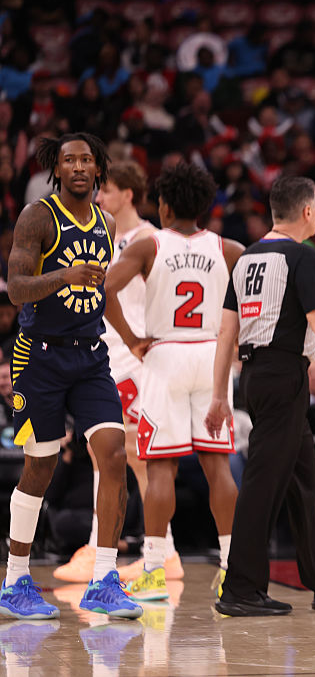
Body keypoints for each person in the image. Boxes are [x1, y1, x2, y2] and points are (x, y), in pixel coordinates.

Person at [204, 176, 315, 616]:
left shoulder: (246, 258)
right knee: (263, 483)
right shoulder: (301, 256)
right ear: (308, 212)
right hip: (283, 374)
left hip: (259, 376)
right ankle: (241, 588)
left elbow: (226, 332)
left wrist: (219, 395)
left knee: (304, 482)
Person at [1, 132, 141, 619]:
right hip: (39, 358)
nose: (79, 167)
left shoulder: (105, 220)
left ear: (99, 169)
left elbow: (104, 293)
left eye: (87, 160)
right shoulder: (38, 216)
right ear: (56, 170)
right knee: (41, 466)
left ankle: (105, 579)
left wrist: (131, 335)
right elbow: (17, 289)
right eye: (69, 160)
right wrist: (64, 275)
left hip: (90, 357)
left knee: (114, 453)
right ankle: (16, 578)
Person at [103, 162, 244, 602]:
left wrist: (131, 339)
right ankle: (232, 568)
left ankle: (152, 571)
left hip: (163, 355)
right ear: (205, 206)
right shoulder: (230, 249)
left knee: (160, 467)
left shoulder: (147, 245)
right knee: (217, 466)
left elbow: (105, 291)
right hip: (212, 357)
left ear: (163, 206)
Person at [53, 160, 179, 583]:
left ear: (128, 194)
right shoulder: (105, 236)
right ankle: (102, 544)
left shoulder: (150, 238)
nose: (98, 195)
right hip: (105, 353)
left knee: (138, 455)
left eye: (106, 189)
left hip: (137, 355)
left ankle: (162, 551)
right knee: (101, 451)